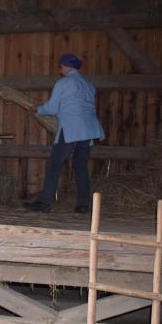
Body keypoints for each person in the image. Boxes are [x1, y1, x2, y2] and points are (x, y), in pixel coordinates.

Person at [24, 53, 105, 213]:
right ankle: (83, 205)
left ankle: (44, 203)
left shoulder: (64, 83)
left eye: (61, 66)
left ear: (67, 66)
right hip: (89, 130)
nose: (60, 70)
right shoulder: (88, 85)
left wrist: (37, 109)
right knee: (81, 166)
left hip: (71, 129)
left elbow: (53, 108)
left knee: (54, 164)